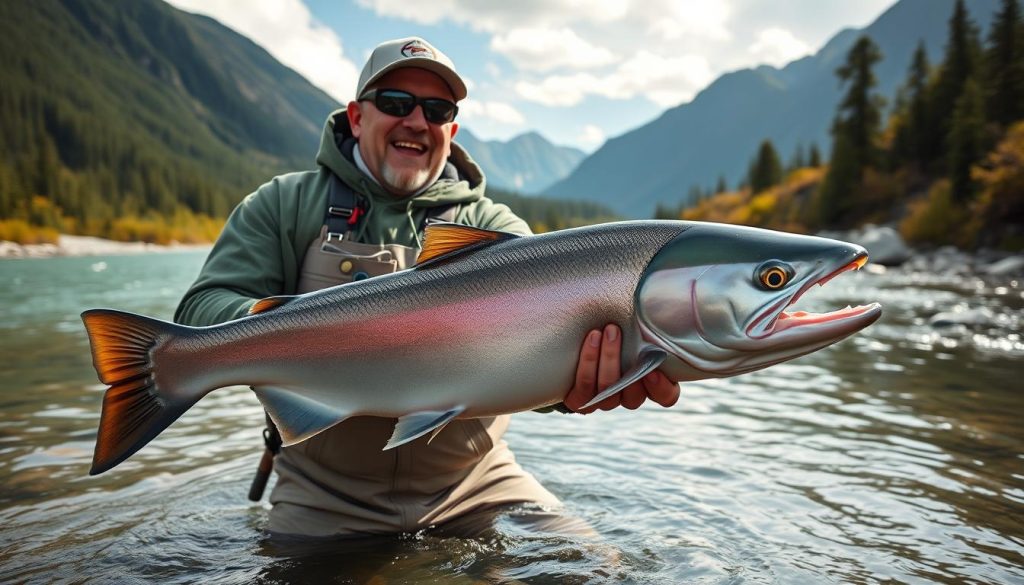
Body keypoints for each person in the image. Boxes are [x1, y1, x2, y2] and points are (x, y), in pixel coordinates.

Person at [174, 36, 680, 539]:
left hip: (477, 486)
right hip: (325, 496)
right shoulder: (283, 204)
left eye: (437, 110)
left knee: (595, 569)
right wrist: (299, 331)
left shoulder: (498, 228)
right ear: (356, 117)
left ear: (451, 129)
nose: (417, 121)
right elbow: (200, 311)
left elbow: (540, 373)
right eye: (396, 103)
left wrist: (584, 387)